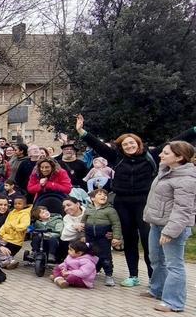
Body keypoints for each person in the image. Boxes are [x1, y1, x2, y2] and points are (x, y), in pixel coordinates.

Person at [76, 114, 196, 287]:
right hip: (123, 203)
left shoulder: (152, 155)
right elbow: (98, 145)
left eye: (132, 143)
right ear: (121, 147)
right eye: (125, 144)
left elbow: (176, 141)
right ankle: (133, 275)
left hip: (145, 202)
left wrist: (193, 130)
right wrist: (81, 131)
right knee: (129, 240)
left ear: (138, 143)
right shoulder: (116, 157)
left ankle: (153, 278)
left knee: (148, 241)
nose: (129, 146)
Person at [142, 141, 196, 312]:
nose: (160, 155)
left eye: (166, 153)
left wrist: (170, 232)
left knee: (174, 265)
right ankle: (156, 289)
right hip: (157, 223)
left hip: (173, 228)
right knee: (156, 259)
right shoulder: (166, 172)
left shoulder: (186, 180)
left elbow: (183, 209)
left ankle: (174, 302)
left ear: (179, 157)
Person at [82, 188, 122, 286]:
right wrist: (82, 234)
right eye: (100, 194)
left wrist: (116, 237)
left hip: (103, 237)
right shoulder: (88, 209)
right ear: (92, 198)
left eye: (105, 195)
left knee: (105, 256)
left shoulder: (110, 210)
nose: (103, 196)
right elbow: (83, 222)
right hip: (90, 236)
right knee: (91, 255)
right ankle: (93, 271)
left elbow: (116, 224)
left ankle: (109, 275)